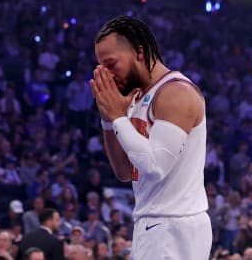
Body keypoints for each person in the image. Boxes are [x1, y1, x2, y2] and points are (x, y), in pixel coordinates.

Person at [90, 15, 211, 259]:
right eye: (103, 68)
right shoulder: (137, 97)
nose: (109, 75)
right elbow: (125, 171)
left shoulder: (175, 93)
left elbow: (155, 167)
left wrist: (118, 117)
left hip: (170, 226)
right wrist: (108, 119)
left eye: (112, 64)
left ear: (139, 53)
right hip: (158, 223)